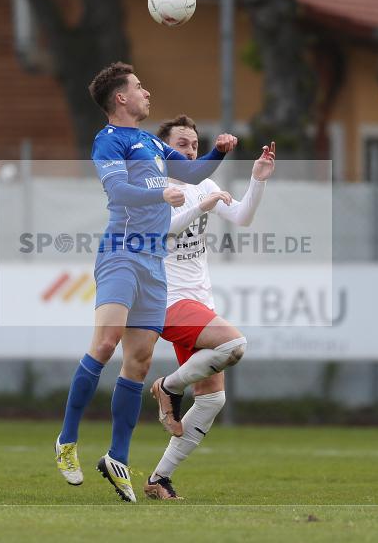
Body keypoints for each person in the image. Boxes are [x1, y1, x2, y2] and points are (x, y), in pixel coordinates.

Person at [54, 62, 236, 502]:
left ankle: (118, 458)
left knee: (137, 362)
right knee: (105, 343)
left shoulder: (151, 141)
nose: (146, 92)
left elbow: (192, 174)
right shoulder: (108, 141)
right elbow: (117, 193)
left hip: (155, 263)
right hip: (121, 251)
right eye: (138, 87)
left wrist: (220, 152)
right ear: (121, 98)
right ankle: (66, 442)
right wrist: (160, 193)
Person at [144, 115, 276, 500]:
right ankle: (167, 387)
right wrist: (203, 205)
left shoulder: (204, 183)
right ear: (164, 149)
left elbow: (243, 218)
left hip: (199, 300)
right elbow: (160, 230)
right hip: (167, 299)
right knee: (234, 345)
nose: (190, 151)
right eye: (181, 145)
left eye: (194, 146)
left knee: (212, 398)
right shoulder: (154, 186)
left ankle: (159, 479)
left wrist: (258, 179)